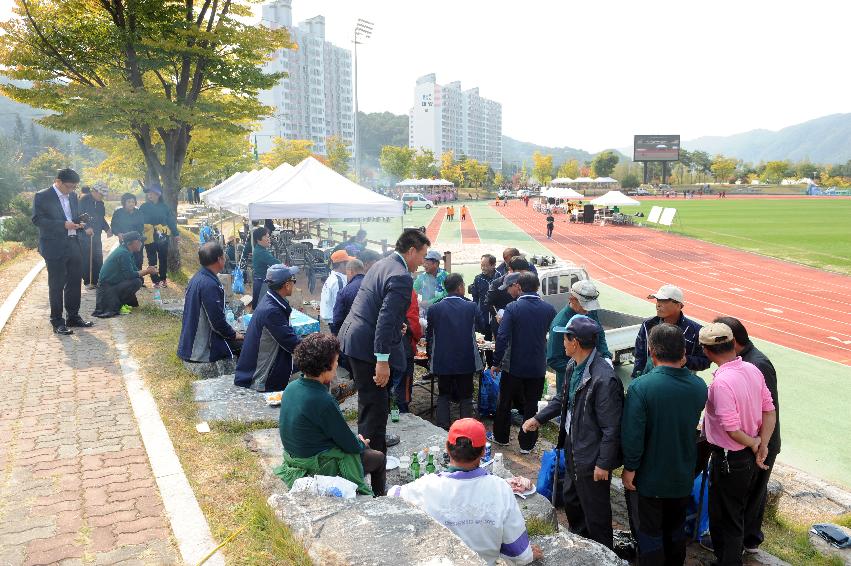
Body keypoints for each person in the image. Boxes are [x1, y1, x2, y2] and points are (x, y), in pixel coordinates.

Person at [524, 315, 623, 549]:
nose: (562, 343)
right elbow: (562, 398)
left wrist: (603, 463)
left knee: (595, 511)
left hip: (592, 456)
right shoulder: (573, 365)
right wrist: (538, 418)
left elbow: (611, 427)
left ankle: (603, 555)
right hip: (573, 446)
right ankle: (581, 547)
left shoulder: (604, 379)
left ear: (575, 342)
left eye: (564, 339)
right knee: (572, 500)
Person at [389, 418, 540, 565]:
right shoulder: (501, 489)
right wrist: (529, 555)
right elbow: (519, 554)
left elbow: (392, 494)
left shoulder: (426, 486)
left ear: (447, 448)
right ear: (482, 453)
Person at [621, 323, 708, 566]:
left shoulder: (641, 387)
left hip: (650, 476)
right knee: (675, 526)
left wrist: (630, 467)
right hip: (682, 473)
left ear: (651, 351)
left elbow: (633, 435)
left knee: (650, 531)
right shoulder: (699, 387)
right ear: (683, 352)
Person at [338, 228, 430, 454]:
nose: (422, 261)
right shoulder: (401, 275)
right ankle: (374, 460)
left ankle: (365, 446)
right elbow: (384, 319)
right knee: (376, 408)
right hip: (368, 346)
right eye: (422, 255)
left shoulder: (382, 263)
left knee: (368, 404)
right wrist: (382, 360)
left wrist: (398, 322)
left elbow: (378, 306)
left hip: (354, 337)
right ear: (411, 251)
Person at [699, 323, 776, 566]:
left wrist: (755, 442)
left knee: (728, 518)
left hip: (729, 459)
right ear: (733, 344)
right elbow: (769, 410)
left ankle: (728, 561)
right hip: (744, 457)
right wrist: (762, 443)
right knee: (730, 513)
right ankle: (724, 559)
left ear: (706, 351)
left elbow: (732, 429)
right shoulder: (753, 370)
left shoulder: (721, 383)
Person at [277, 333, 386, 496]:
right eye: (336, 362)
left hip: (294, 457)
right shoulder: (323, 400)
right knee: (378, 458)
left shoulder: (291, 387)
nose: (336, 367)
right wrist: (362, 443)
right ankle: (379, 499)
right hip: (315, 464)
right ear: (325, 366)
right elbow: (349, 444)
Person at [491, 272, 556, 453]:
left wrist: (496, 361)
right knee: (531, 405)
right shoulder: (549, 309)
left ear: (519, 286)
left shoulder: (513, 308)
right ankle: (527, 444)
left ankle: (501, 437)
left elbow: (502, 336)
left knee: (504, 402)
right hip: (537, 366)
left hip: (514, 366)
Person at [31, 168, 93, 335]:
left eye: (74, 187)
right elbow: (37, 219)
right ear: (58, 181)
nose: (71, 190)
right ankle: (57, 321)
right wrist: (63, 224)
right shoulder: (42, 196)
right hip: (54, 245)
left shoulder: (72, 195)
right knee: (56, 284)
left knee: (74, 282)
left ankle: (73, 316)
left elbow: (72, 216)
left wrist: (78, 223)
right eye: (68, 186)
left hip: (73, 242)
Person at [426, 273, 482, 429]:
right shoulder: (471, 306)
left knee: (443, 394)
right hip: (465, 358)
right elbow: (481, 325)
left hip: (442, 359)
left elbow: (429, 335)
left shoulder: (434, 309)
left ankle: (443, 426)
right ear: (460, 287)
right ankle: (465, 427)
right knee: (466, 395)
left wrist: (430, 355)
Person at [235, 264, 302, 392]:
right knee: (317, 359)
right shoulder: (272, 311)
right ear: (287, 285)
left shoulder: (270, 300)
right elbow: (292, 344)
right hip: (261, 376)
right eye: (293, 280)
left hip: (264, 363)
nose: (294, 283)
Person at [177, 242, 243, 365]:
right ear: (219, 259)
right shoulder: (209, 285)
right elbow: (217, 323)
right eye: (223, 255)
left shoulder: (199, 277)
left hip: (190, 343)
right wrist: (234, 334)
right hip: (201, 348)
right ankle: (247, 379)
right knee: (249, 343)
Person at [547, 280, 611, 395]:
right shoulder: (560, 324)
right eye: (584, 306)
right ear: (572, 299)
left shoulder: (589, 311)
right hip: (570, 384)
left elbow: (599, 333)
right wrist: (580, 369)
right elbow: (553, 359)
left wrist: (606, 356)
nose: (587, 310)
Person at [632, 284, 709, 378]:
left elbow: (705, 361)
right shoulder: (647, 325)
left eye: (663, 301)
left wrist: (686, 360)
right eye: (657, 300)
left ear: (678, 305)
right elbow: (640, 355)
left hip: (681, 383)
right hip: (651, 381)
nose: (658, 305)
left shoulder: (695, 330)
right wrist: (636, 378)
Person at [92, 232, 157, 318]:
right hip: (106, 289)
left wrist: (147, 269)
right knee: (136, 282)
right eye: (139, 241)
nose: (141, 243)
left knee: (139, 279)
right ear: (131, 242)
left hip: (111, 285)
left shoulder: (126, 251)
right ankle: (118, 305)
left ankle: (121, 303)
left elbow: (135, 271)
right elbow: (130, 275)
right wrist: (148, 271)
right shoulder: (123, 253)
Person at [139, 185, 179, 288]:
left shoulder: (164, 207)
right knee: (152, 258)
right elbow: (139, 221)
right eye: (148, 193)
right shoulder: (144, 207)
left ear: (158, 194)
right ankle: (155, 281)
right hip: (149, 235)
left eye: (152, 193)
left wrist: (176, 234)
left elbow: (170, 221)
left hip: (162, 235)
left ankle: (163, 279)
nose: (149, 195)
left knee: (163, 258)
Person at [393, 289, 422, 413]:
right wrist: (417, 334)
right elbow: (413, 320)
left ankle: (391, 409)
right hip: (403, 346)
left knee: (391, 381)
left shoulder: (379, 285)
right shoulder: (408, 290)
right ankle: (403, 411)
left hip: (384, 344)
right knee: (403, 383)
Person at [78, 182, 111, 289]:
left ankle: (97, 280)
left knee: (98, 257)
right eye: (101, 194)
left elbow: (101, 218)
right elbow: (78, 215)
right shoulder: (84, 200)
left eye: (103, 195)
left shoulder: (101, 204)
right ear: (94, 192)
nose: (102, 197)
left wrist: (107, 229)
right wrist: (86, 227)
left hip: (96, 235)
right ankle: (88, 281)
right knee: (87, 259)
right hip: (84, 235)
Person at [469, 254, 498, 365]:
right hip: (483, 317)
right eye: (482, 265)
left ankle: (495, 365)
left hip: (497, 317)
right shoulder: (478, 279)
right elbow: (475, 298)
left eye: (486, 265)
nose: (483, 268)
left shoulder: (500, 277)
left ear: (493, 265)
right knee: (483, 342)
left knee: (498, 342)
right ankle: (483, 365)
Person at [110, 193, 145, 270]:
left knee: (138, 260)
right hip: (124, 240)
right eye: (129, 202)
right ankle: (126, 279)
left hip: (137, 240)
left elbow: (141, 226)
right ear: (124, 202)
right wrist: (118, 233)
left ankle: (139, 280)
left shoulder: (139, 213)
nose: (131, 204)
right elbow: (114, 226)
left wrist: (135, 235)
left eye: (133, 202)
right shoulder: (118, 213)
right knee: (125, 259)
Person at [330, 259, 365, 336]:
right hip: (373, 331)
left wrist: (336, 334)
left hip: (352, 333)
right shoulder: (374, 285)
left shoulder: (344, 292)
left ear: (350, 271)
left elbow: (338, 319)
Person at [320, 250, 352, 329]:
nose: (349, 266)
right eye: (347, 263)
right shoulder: (338, 281)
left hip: (330, 315)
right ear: (341, 264)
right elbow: (339, 304)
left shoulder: (333, 276)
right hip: (335, 319)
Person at [250, 226, 279, 310]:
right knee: (262, 309)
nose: (268, 239)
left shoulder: (260, 249)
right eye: (266, 237)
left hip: (260, 281)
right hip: (262, 284)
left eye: (268, 236)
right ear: (259, 239)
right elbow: (275, 262)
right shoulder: (261, 252)